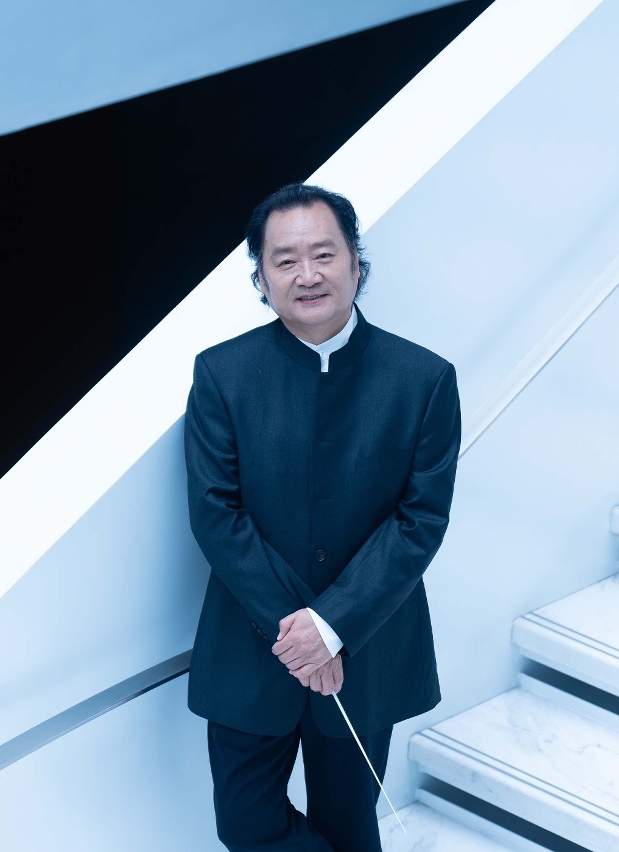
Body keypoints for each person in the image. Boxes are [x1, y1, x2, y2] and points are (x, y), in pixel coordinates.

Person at [184, 182, 461, 851]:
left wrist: (332, 627)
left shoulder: (423, 379)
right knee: (245, 824)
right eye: (284, 261)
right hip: (251, 646)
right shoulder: (222, 374)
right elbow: (215, 512)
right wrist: (302, 635)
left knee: (349, 825)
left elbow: (419, 520)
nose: (306, 274)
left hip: (368, 650)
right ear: (261, 280)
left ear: (355, 263)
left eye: (323, 254)